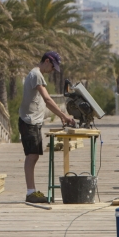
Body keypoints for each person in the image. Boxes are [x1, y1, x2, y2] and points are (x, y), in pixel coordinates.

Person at [19, 51, 76, 203]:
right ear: (46, 61)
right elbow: (47, 99)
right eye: (52, 66)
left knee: (34, 155)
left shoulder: (37, 74)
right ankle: (30, 192)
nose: (52, 70)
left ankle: (31, 191)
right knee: (32, 156)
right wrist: (63, 116)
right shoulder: (36, 74)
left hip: (33, 121)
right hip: (29, 121)